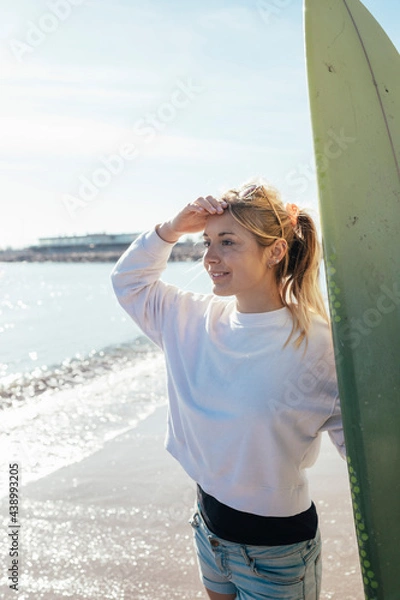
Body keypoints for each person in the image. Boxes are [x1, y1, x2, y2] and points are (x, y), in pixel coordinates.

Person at [111, 180, 345, 600]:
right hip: (208, 529)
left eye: (228, 242)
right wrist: (171, 228)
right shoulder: (188, 319)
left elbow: (367, 454)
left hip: (277, 553)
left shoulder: (321, 347)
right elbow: (128, 281)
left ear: (274, 251)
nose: (210, 258)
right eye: (206, 242)